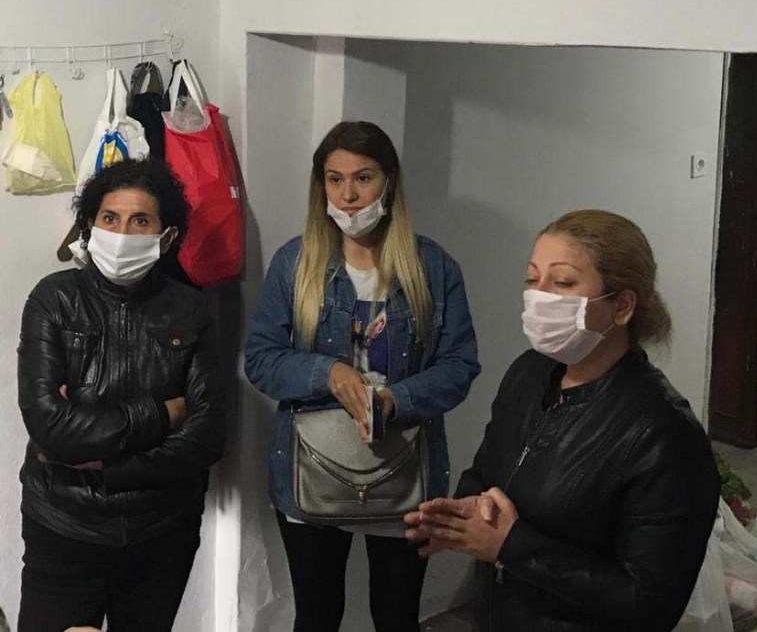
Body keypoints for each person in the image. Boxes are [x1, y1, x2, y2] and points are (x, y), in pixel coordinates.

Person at [405, 209, 720, 631]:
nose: (539, 298)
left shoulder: (663, 434)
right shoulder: (529, 373)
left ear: (622, 306)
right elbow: (489, 468)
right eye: (532, 280)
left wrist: (512, 545)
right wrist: (466, 511)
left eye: (563, 283)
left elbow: (649, 604)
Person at [244, 120, 480, 632]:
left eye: (363, 178)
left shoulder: (433, 267)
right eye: (335, 180)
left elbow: (459, 366)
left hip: (404, 470)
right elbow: (260, 358)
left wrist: (397, 398)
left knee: (396, 616)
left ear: (389, 182)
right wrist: (326, 372)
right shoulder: (295, 264)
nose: (348, 196)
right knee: (317, 615)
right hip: (310, 470)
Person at [17, 158, 226, 632]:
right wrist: (163, 414)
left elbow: (208, 436)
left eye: (140, 221)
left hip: (163, 531)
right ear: (89, 226)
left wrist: (108, 465)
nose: (122, 233)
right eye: (109, 218)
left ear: (166, 238)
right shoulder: (54, 300)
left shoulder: (190, 309)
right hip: (65, 526)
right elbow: (51, 428)